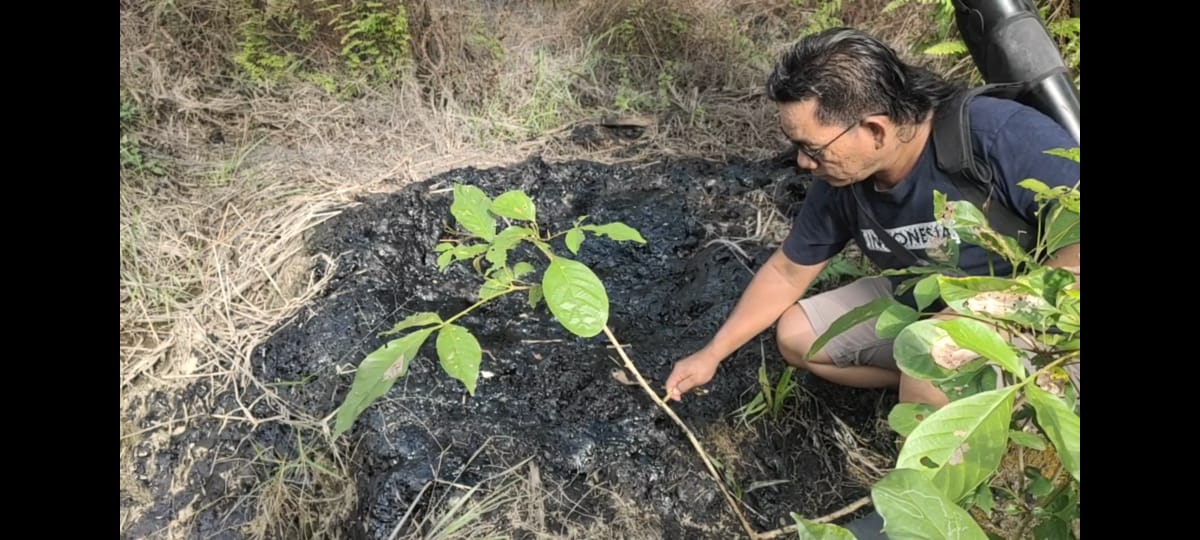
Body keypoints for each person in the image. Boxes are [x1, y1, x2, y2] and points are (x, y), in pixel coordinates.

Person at [663, 27, 1079, 407]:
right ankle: (937, 389)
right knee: (797, 337)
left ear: (876, 130)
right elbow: (789, 272)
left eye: (814, 148)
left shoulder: (996, 134)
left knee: (934, 351)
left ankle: (996, 410)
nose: (804, 163)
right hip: (927, 295)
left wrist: (985, 311)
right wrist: (711, 354)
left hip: (1044, 307)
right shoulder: (843, 179)